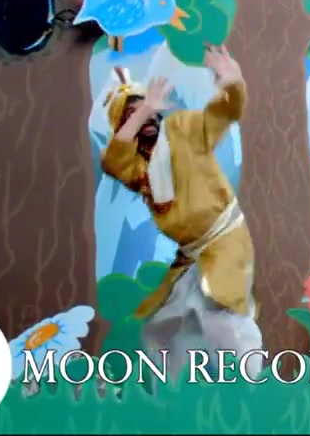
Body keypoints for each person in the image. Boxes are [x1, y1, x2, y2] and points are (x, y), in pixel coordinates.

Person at [100, 44, 263, 382]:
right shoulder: (137, 168)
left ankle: (249, 382)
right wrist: (144, 107)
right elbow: (113, 160)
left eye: (148, 112)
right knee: (164, 324)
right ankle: (167, 389)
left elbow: (224, 112)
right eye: (133, 117)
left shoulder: (184, 130)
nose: (146, 119)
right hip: (190, 254)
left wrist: (231, 81)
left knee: (223, 315)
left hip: (223, 241)